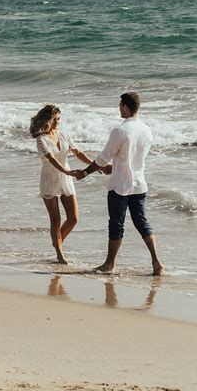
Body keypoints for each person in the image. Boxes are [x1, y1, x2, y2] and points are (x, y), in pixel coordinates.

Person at [74, 91, 163, 276]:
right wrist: (112, 166)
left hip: (120, 185)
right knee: (142, 223)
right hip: (139, 183)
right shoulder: (147, 129)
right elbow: (131, 157)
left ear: (125, 106)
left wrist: (84, 172)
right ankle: (156, 261)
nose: (118, 108)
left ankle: (109, 264)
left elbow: (102, 158)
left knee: (116, 224)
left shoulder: (120, 131)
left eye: (119, 105)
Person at [30, 104, 95, 264]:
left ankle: (57, 241)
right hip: (50, 178)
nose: (58, 122)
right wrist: (66, 172)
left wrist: (94, 165)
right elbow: (51, 158)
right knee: (56, 219)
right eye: (55, 119)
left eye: (59, 119)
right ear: (47, 120)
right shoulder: (41, 139)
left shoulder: (64, 135)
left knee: (73, 218)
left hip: (66, 177)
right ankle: (59, 253)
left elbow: (77, 152)